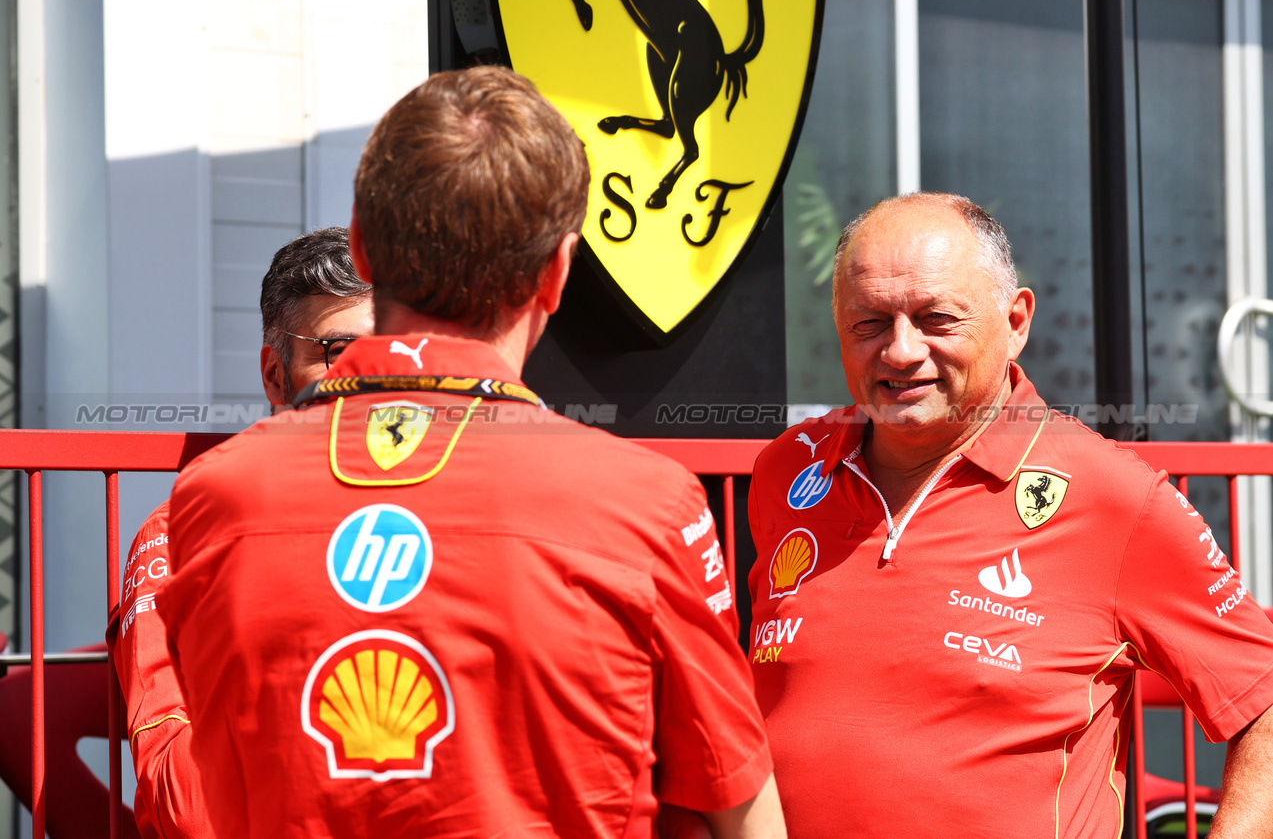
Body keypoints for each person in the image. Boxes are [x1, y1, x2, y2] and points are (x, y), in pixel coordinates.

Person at [158, 66, 783, 839]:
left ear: (361, 244)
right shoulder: (645, 502)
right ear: (557, 273)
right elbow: (734, 804)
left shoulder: (214, 495)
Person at [747, 192, 1273, 838]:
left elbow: (1264, 700)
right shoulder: (784, 472)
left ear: (1015, 319)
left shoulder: (1113, 498)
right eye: (869, 322)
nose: (900, 351)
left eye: (936, 318)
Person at [107, 227, 373, 838]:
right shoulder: (181, 533)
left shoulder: (458, 520)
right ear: (275, 376)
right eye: (340, 352)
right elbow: (186, 805)